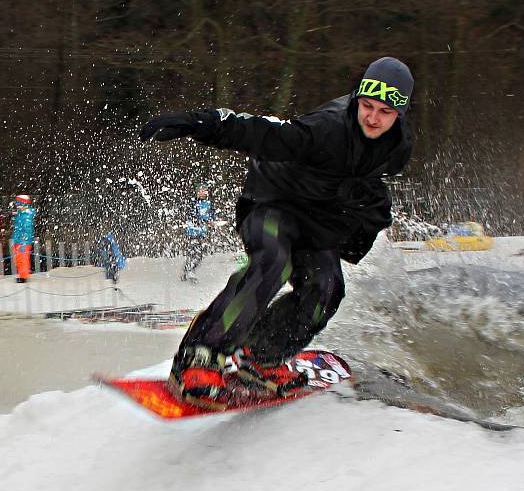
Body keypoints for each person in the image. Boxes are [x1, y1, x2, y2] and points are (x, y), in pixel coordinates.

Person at [140, 56, 414, 409]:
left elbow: (365, 186)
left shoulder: (398, 149)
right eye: (366, 106)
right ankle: (199, 357)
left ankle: (260, 359)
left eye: (384, 112)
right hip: (271, 203)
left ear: (400, 115)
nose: (372, 118)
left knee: (327, 289)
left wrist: (358, 232)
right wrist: (201, 123)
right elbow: (262, 132)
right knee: (273, 261)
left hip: (315, 220)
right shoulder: (327, 128)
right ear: (356, 99)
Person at [180, 183, 217, 283]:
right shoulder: (192, 203)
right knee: (194, 251)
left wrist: (213, 221)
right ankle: (190, 271)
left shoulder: (210, 203)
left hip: (203, 232)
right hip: (193, 231)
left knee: (200, 254)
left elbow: (212, 215)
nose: (201, 193)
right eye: (199, 191)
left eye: (203, 191)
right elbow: (190, 215)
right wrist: (200, 221)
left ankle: (187, 270)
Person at [11, 194, 36, 283]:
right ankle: (22, 274)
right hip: (19, 240)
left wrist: (23, 241)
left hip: (23, 241)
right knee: (19, 259)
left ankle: (23, 276)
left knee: (23, 259)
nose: (17, 205)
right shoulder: (21, 214)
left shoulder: (26, 215)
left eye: (19, 203)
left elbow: (27, 229)